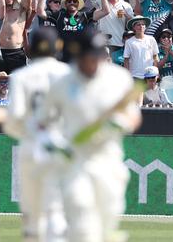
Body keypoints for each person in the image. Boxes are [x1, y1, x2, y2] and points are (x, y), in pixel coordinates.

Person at [36, 30, 141, 242]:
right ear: (78, 55)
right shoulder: (63, 82)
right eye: (88, 57)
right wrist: (52, 143)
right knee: (82, 223)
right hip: (76, 163)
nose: (93, 63)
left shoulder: (118, 79)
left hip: (109, 163)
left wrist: (118, 124)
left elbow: (133, 117)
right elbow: (43, 122)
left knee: (106, 228)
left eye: (97, 56)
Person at [3, 27, 70, 242]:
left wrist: (29, 134)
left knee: (32, 214)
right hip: (59, 148)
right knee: (56, 210)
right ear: (57, 47)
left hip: (31, 149)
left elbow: (13, 121)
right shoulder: (68, 74)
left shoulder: (22, 76)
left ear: (31, 48)